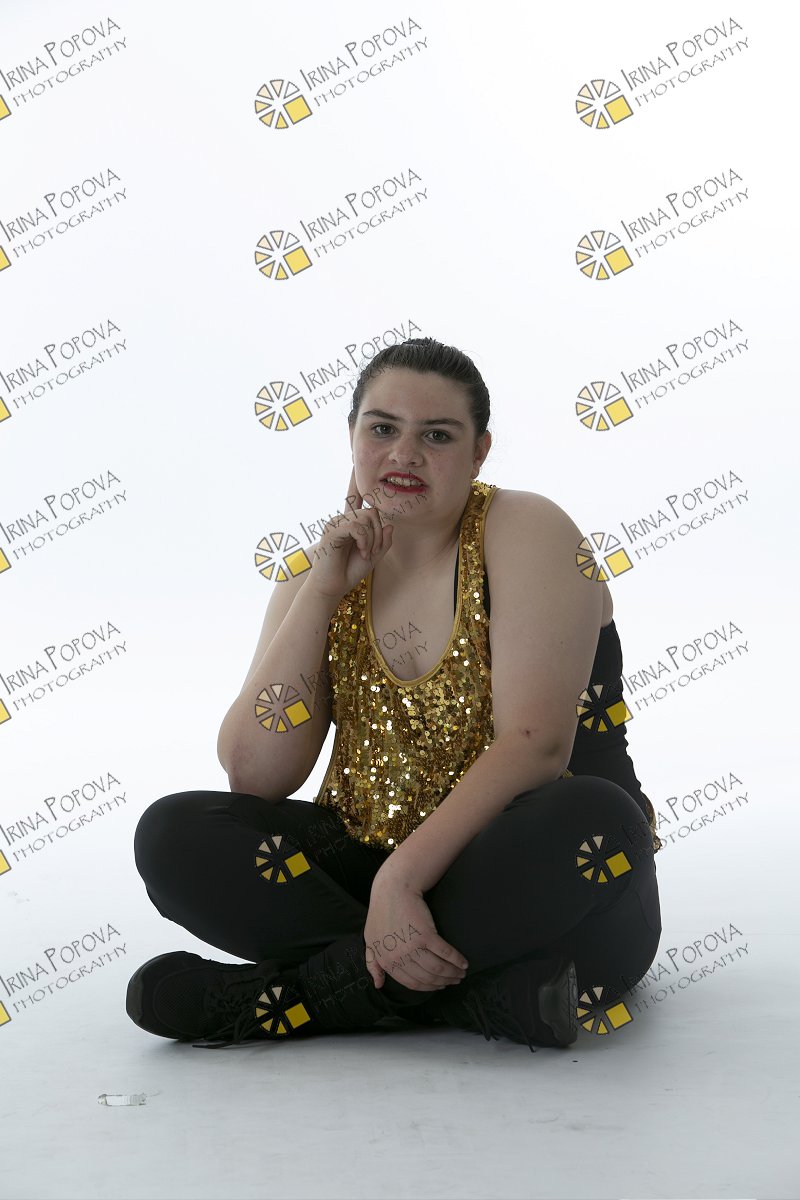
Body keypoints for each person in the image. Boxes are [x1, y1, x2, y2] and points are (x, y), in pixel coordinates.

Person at [127, 336, 662, 1053]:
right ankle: (483, 1000)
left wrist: (400, 882)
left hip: (551, 886)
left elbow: (537, 745)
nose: (404, 455)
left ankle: (294, 999)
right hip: (378, 864)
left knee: (596, 816)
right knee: (175, 833)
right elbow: (255, 774)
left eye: (437, 436)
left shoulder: (526, 530)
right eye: (383, 429)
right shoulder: (319, 572)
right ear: (352, 436)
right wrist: (321, 594)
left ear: (479, 452)